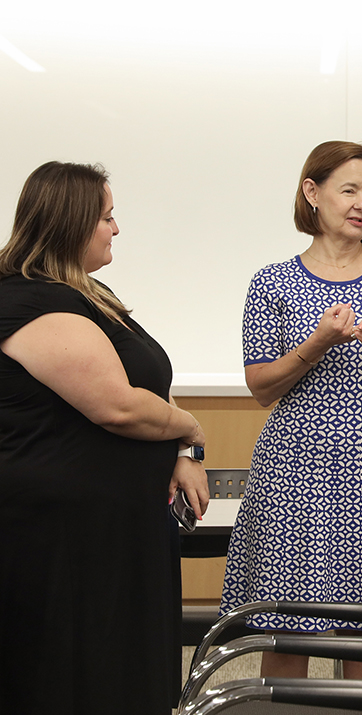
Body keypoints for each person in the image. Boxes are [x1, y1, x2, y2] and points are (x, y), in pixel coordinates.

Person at [0, 161, 209, 714]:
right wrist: (190, 429)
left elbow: (148, 389)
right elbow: (116, 407)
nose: (116, 229)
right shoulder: (30, 301)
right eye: (107, 217)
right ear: (71, 223)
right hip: (62, 540)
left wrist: (182, 454)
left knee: (120, 674)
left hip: (112, 532)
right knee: (74, 678)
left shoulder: (90, 293)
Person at [219, 140, 362, 678]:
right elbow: (260, 386)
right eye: (349, 191)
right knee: (288, 633)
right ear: (312, 194)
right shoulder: (272, 281)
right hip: (293, 479)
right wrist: (316, 343)